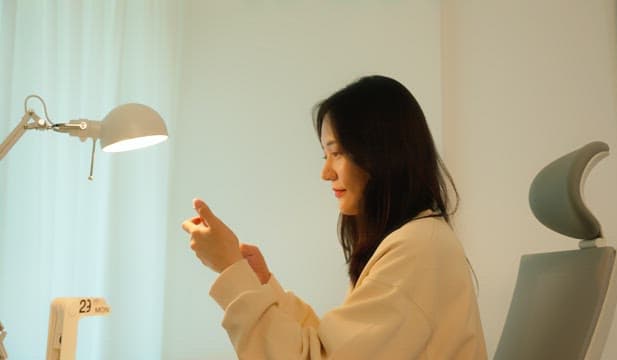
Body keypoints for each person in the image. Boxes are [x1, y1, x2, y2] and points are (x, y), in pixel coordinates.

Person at [181, 75, 487, 359]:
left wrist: (230, 269)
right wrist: (261, 283)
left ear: (380, 153)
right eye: (325, 156)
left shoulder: (418, 249)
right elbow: (328, 344)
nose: (326, 173)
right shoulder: (418, 240)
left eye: (336, 153)